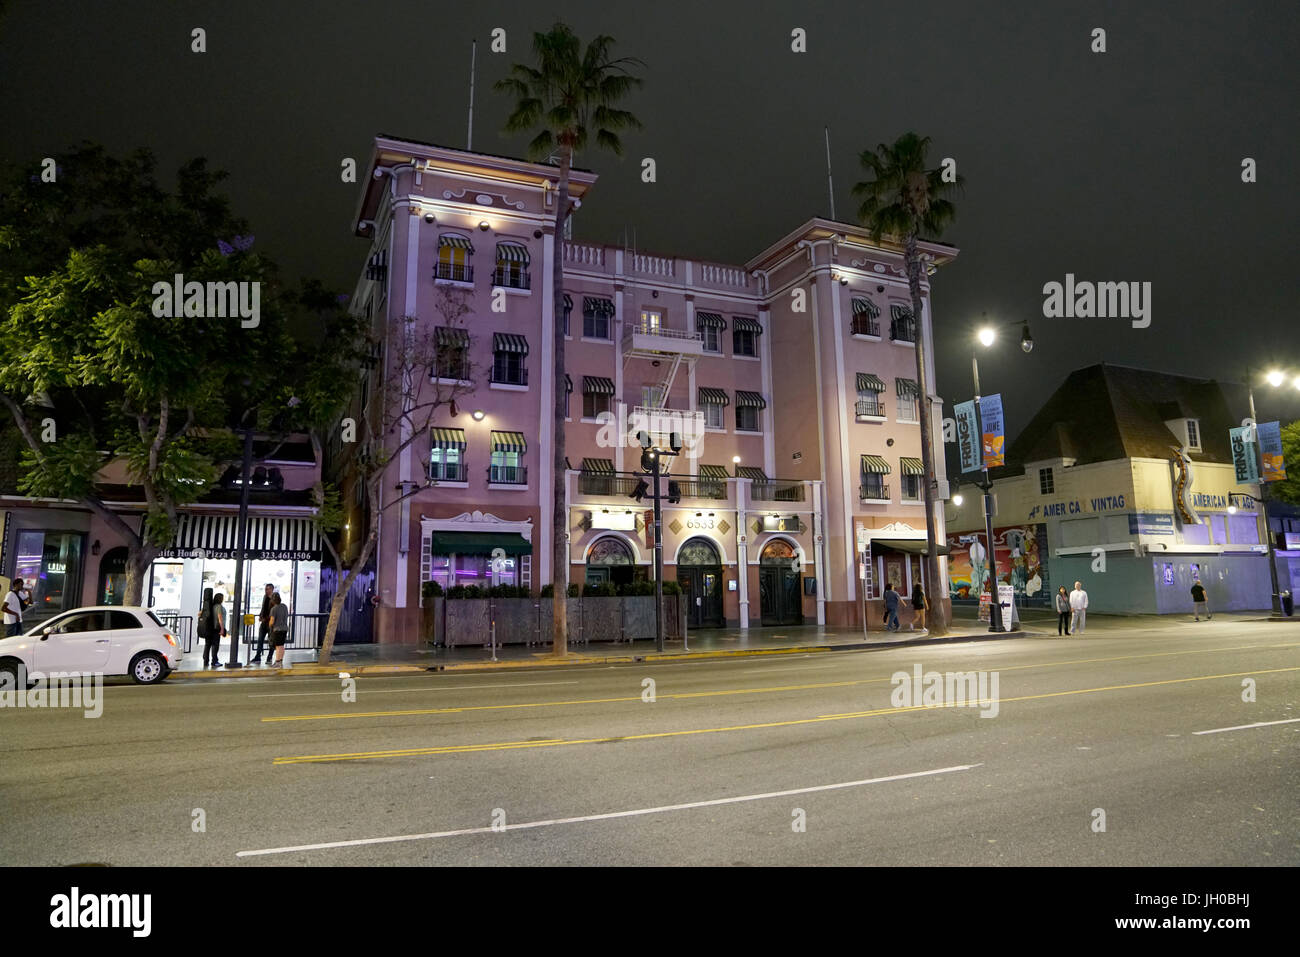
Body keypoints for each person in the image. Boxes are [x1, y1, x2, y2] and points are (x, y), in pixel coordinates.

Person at [251, 583, 274, 663]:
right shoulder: (265, 597)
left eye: (268, 589)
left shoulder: (274, 599)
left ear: (272, 589)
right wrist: (261, 615)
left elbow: (273, 612)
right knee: (260, 639)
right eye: (265, 589)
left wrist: (266, 618)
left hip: (270, 623)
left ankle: (269, 657)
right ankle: (258, 656)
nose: (266, 591)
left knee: (271, 641)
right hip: (264, 622)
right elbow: (263, 607)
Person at [203, 592, 227, 669]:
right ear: (220, 599)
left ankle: (205, 661)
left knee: (207, 645)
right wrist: (222, 629)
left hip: (209, 628)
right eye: (222, 598)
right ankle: (214, 661)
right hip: (216, 629)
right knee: (215, 646)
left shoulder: (210, 606)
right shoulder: (218, 606)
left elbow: (200, 614)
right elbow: (220, 618)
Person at [268, 591, 289, 667]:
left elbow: (272, 621)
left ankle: (277, 662)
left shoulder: (274, 609)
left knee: (277, 646)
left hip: (277, 629)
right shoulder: (284, 606)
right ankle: (280, 661)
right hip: (285, 628)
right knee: (282, 646)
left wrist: (269, 625)